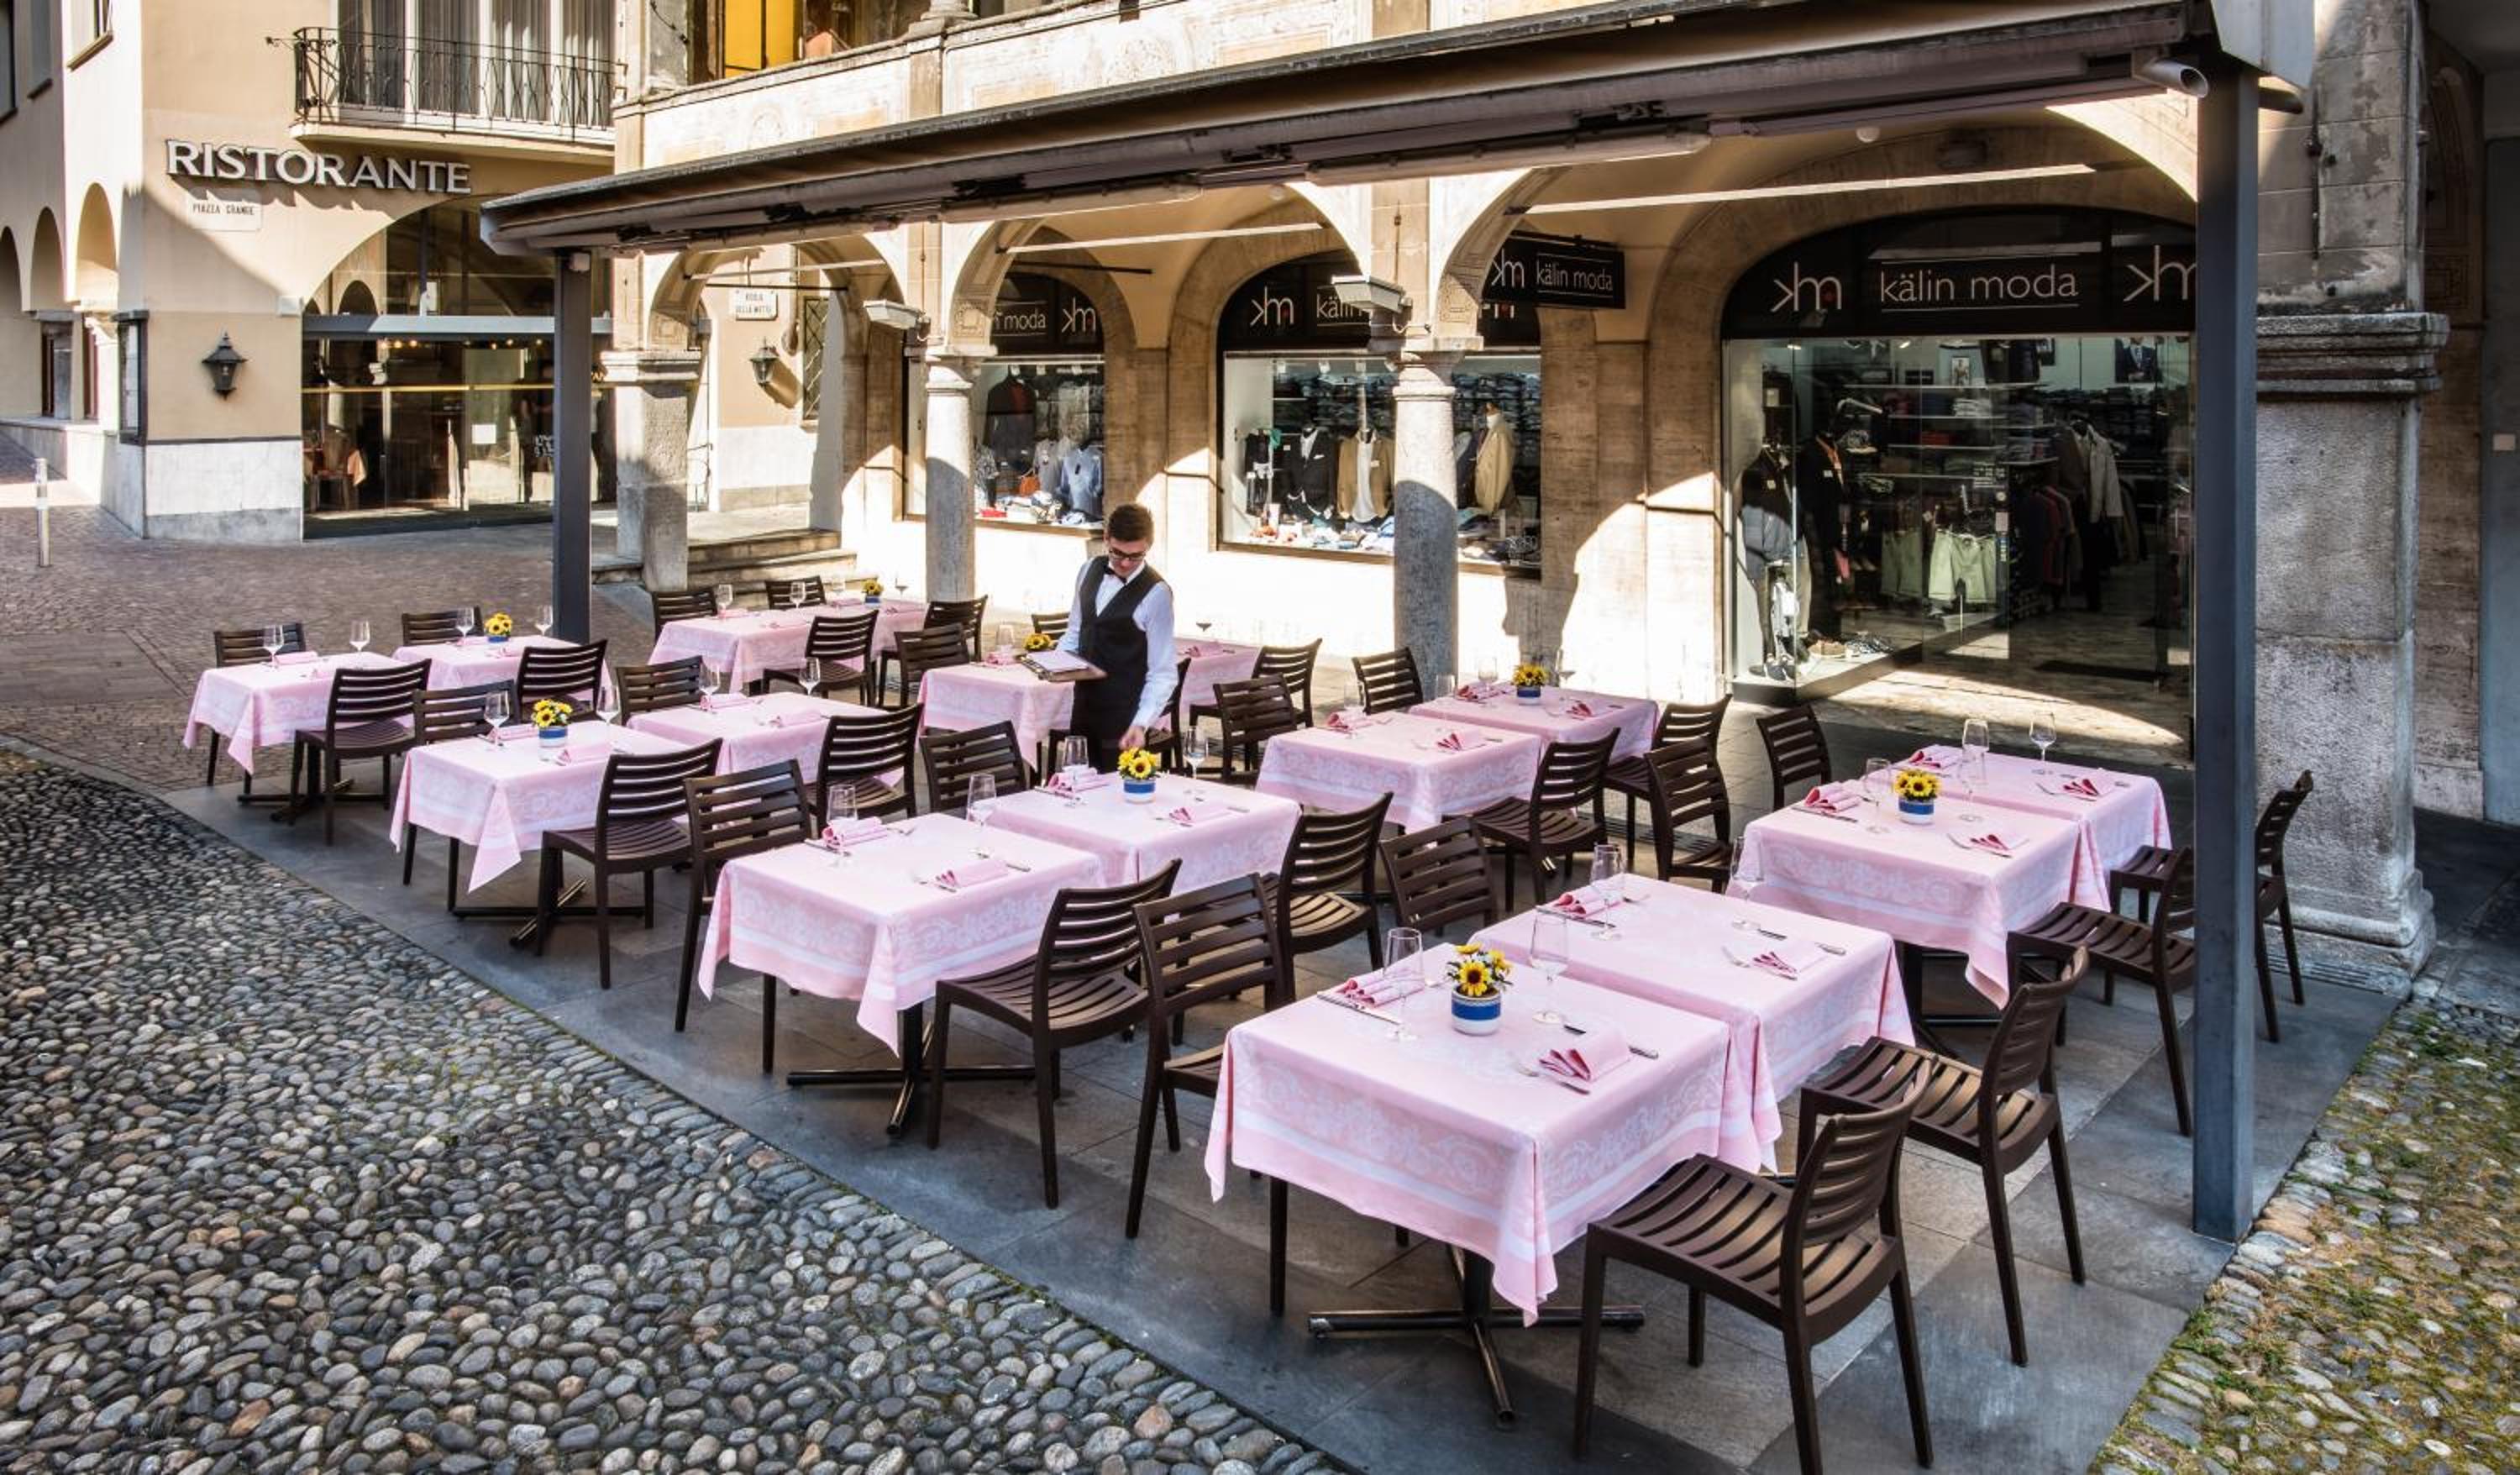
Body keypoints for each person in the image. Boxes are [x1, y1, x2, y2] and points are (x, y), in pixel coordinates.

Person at [1056, 501, 1176, 764]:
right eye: (1117, 553)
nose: (1125, 563)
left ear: (1149, 546)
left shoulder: (1157, 594)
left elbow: (1163, 672)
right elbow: (1075, 631)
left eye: (1136, 556)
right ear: (1106, 538)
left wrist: (1141, 723)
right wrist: (1054, 663)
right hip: (1083, 710)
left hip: (1125, 720)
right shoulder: (1088, 570)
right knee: (1077, 784)